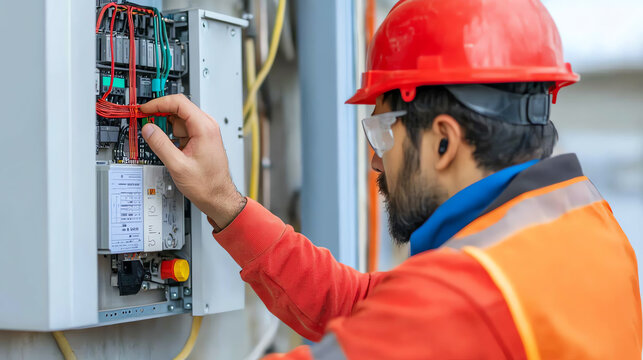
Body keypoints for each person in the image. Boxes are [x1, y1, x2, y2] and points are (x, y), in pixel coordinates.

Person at [140, 0, 642, 358]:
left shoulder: (466, 299)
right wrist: (223, 201)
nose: (375, 162)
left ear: (443, 142)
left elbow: (418, 315)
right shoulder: (586, 227)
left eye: (382, 132)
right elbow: (365, 307)